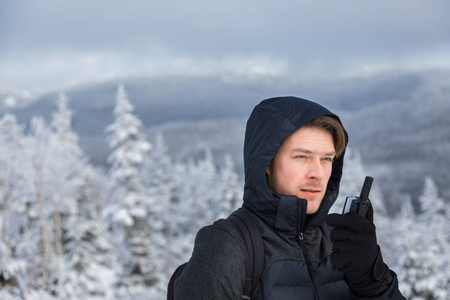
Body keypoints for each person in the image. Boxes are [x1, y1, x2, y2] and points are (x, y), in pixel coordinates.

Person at [173, 96, 406, 300]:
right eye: (302, 157)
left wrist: (373, 280)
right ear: (266, 163)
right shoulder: (228, 246)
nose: (318, 173)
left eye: (326, 159)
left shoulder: (341, 243)